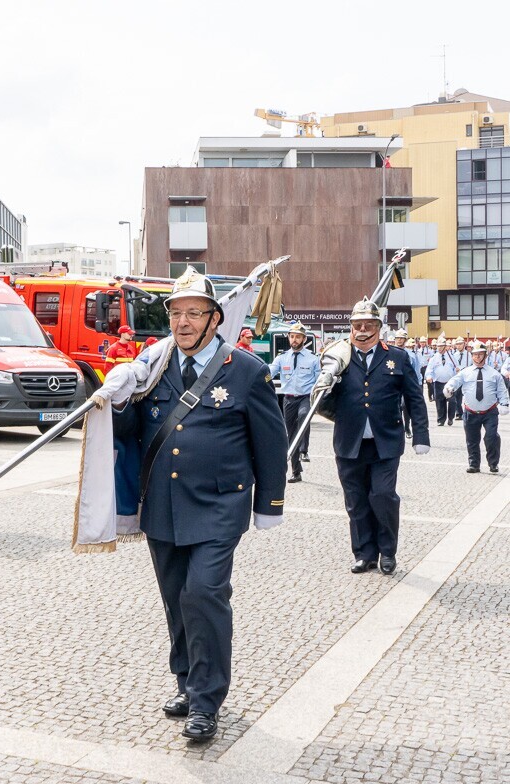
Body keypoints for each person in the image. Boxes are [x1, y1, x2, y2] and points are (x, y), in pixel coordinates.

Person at [94, 267, 287, 744]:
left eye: (193, 313)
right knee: (176, 599)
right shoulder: (153, 367)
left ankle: (206, 701)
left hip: (220, 504)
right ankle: (186, 681)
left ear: (214, 318)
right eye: (175, 313)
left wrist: (269, 503)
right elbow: (131, 433)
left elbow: (271, 442)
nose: (182, 322)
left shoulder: (246, 370)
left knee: (204, 594)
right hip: (162, 503)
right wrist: (116, 400)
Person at [314, 298, 430, 576]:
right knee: (355, 500)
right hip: (349, 441)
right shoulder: (338, 357)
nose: (363, 330)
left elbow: (414, 398)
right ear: (351, 327)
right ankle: (364, 554)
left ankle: (387, 552)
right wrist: (324, 385)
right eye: (357, 325)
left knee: (383, 495)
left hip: (385, 442)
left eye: (369, 324)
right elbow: (321, 400)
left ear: (379, 327)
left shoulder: (398, 357)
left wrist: (421, 435)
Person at [443, 341, 508, 474]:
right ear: (472, 356)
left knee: (491, 437)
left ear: (485, 355)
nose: (477, 357)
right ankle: (474, 464)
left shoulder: (494, 374)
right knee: (472, 440)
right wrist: (449, 387)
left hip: (490, 412)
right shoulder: (465, 372)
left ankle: (493, 463)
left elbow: (502, 391)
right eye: (475, 354)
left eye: (480, 354)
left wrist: (504, 404)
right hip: (470, 412)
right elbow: (455, 381)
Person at [268, 322, 320, 482]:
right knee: (290, 436)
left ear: (304, 339)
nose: (294, 340)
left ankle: (304, 450)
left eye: (298, 337)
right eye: (292, 336)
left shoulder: (313, 359)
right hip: (289, 399)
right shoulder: (282, 358)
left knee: (304, 415)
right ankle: (296, 472)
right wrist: (258, 377)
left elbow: (319, 379)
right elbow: (269, 373)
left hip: (306, 397)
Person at [425, 337, 457, 427]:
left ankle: (450, 417)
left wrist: (457, 372)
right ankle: (441, 419)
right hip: (438, 382)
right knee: (439, 401)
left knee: (452, 401)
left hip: (449, 383)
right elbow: (429, 369)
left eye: (441, 346)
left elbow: (456, 367)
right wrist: (429, 376)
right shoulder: (434, 358)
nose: (439, 348)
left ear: (445, 347)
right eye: (438, 346)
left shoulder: (451, 357)